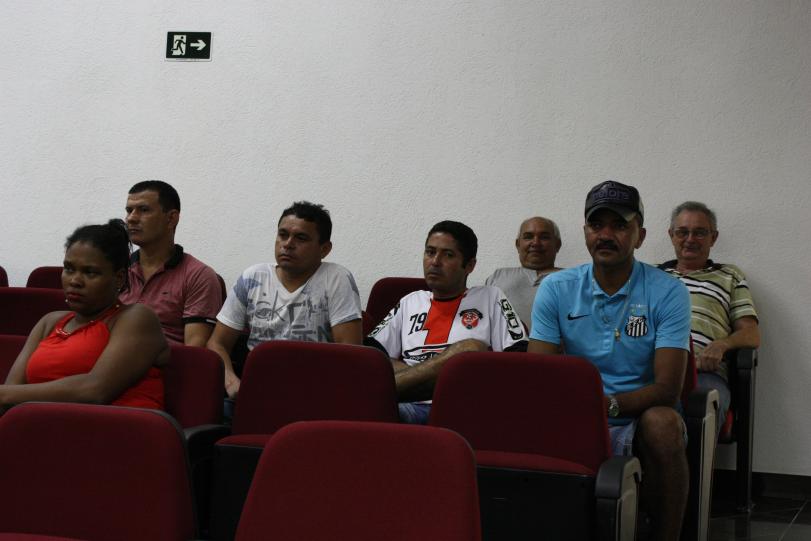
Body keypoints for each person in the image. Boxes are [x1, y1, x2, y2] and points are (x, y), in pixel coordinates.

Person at [528, 181, 691, 541]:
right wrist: (582, 409)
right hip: (577, 411)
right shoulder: (557, 288)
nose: (605, 235)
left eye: (619, 225)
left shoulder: (668, 291)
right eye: (596, 225)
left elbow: (667, 389)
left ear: (640, 236)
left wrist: (608, 406)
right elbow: (540, 375)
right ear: (585, 232)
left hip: (639, 415)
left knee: (664, 424)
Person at [367, 220, 528, 424]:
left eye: (448, 255)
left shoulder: (491, 297)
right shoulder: (410, 301)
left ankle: (375, 392)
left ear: (469, 265)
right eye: (430, 252)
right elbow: (371, 357)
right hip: (406, 405)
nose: (435, 261)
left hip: (461, 405)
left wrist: (412, 373)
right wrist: (440, 374)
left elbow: (518, 359)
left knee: (471, 349)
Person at [1, 220, 168, 409]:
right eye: (69, 269)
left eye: (90, 272)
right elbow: (9, 393)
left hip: (115, 424)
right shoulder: (49, 322)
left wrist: (7, 394)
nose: (75, 281)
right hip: (41, 422)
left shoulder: (136, 318)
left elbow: (95, 390)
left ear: (119, 277)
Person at [207, 201, 363, 400]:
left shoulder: (336, 278)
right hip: (255, 392)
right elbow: (217, 343)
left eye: (301, 238)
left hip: (316, 395)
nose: (288, 244)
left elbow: (350, 354)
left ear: (324, 249)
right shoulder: (253, 277)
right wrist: (232, 383)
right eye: (283, 235)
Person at [659, 201, 760, 432]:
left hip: (702, 373)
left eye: (700, 232)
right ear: (671, 236)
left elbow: (751, 333)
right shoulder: (651, 275)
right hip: (653, 370)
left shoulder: (730, 276)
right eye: (682, 232)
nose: (690, 239)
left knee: (696, 406)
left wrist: (722, 345)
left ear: (713, 238)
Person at [120, 180, 223, 346]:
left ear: (171, 219)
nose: (131, 218)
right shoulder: (117, 269)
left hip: (168, 361)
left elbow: (195, 351)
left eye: (144, 210)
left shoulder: (198, 275)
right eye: (129, 210)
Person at [485, 216, 562, 327]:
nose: (535, 243)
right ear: (518, 244)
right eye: (528, 237)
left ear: (557, 245)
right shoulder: (497, 277)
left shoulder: (575, 280)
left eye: (544, 237)